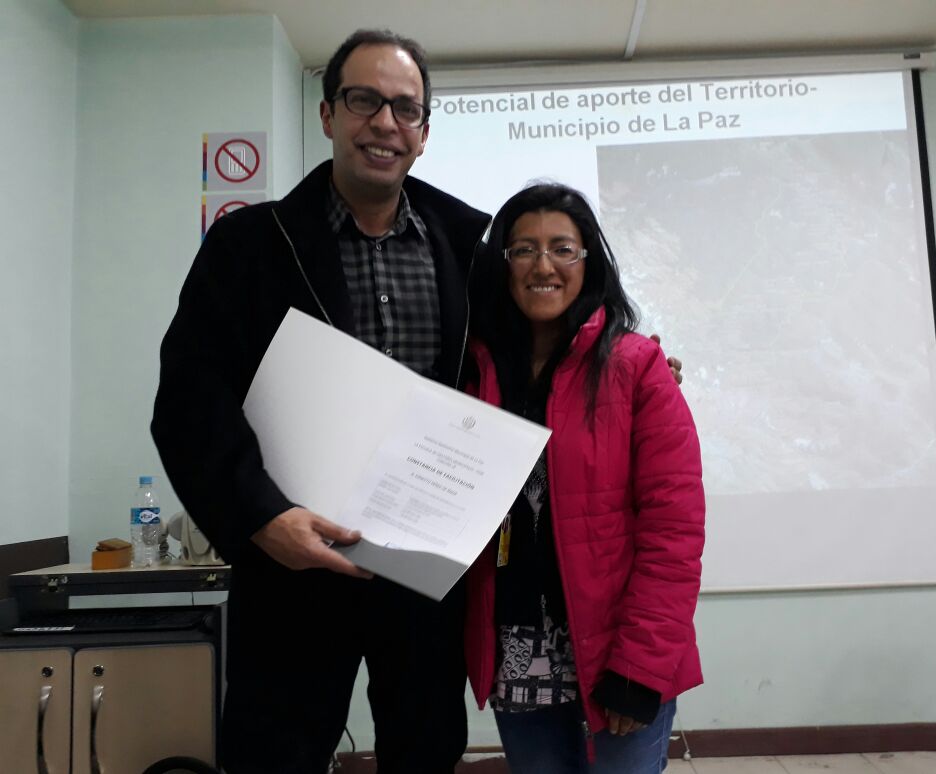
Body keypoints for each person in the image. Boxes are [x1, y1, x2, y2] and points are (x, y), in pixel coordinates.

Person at [152, 29, 489, 774]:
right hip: (293, 565)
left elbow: (532, 367)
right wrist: (260, 519)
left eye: (405, 108)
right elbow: (189, 400)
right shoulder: (248, 246)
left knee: (427, 752)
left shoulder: (471, 249)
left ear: (424, 133)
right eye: (364, 100)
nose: (385, 122)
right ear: (329, 113)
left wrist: (626, 362)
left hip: (424, 567)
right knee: (272, 756)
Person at [462, 183, 706, 774]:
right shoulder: (474, 371)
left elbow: (674, 532)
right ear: (503, 265)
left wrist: (640, 667)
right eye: (524, 249)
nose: (543, 265)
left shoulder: (636, 368)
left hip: (620, 652)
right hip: (517, 649)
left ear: (588, 261)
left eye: (562, 248)